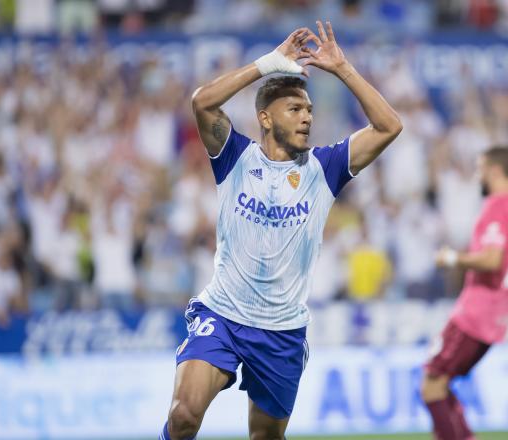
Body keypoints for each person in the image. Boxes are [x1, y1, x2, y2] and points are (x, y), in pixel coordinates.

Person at [159, 21, 402, 440]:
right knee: (183, 416)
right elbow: (202, 102)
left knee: (266, 437)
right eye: (296, 109)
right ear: (265, 119)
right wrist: (267, 64)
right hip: (223, 314)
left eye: (309, 110)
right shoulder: (235, 156)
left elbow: (389, 127)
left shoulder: (325, 169)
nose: (307, 117)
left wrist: (342, 69)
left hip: (282, 330)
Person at [420, 147, 508, 440]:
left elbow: (492, 259)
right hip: (499, 318)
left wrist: (452, 258)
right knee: (442, 384)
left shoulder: (496, 206)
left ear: (496, 171)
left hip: (474, 314)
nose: (478, 176)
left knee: (431, 386)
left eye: (481, 169)